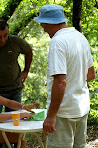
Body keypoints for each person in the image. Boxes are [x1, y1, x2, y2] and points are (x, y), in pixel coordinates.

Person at [34, 4, 96, 148]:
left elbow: (61, 83)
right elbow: (90, 74)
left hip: (63, 113)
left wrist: (50, 117)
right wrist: (54, 83)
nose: (43, 29)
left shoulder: (57, 42)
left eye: (42, 25)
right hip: (81, 109)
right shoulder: (81, 38)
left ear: (48, 23)